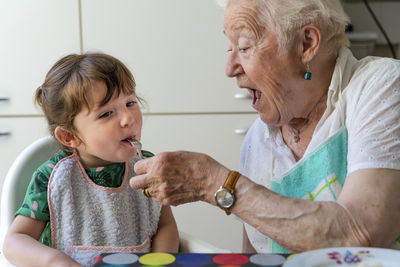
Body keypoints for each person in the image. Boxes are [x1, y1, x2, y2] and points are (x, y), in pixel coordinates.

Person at [129, 0, 400, 254]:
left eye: (244, 47)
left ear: (306, 43)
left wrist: (214, 183)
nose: (230, 68)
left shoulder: (381, 86)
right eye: (230, 49)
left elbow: (361, 233)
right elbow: (255, 255)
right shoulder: (258, 138)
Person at [2, 53, 179, 266]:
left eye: (130, 102)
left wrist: (158, 261)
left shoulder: (147, 169)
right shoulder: (52, 178)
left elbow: (165, 226)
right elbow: (14, 241)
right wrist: (57, 262)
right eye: (106, 114)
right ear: (70, 136)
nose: (128, 118)